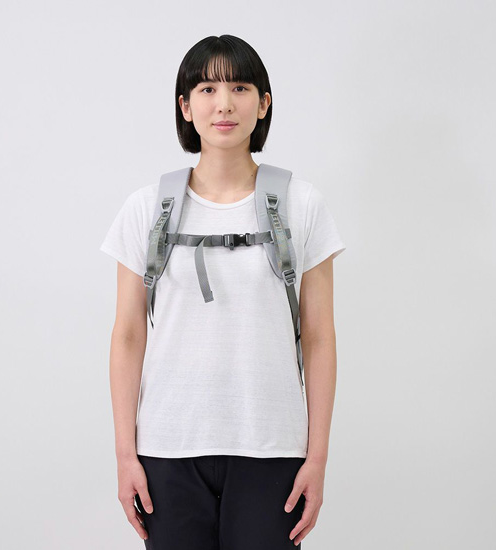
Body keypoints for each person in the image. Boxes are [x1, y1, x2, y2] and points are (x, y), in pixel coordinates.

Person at [100, 34, 346, 550]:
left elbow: (320, 336)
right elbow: (127, 335)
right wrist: (126, 454)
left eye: (240, 87)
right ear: (185, 107)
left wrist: (317, 457)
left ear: (264, 103)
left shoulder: (302, 204)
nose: (225, 104)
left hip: (272, 446)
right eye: (207, 89)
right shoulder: (147, 208)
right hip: (167, 447)